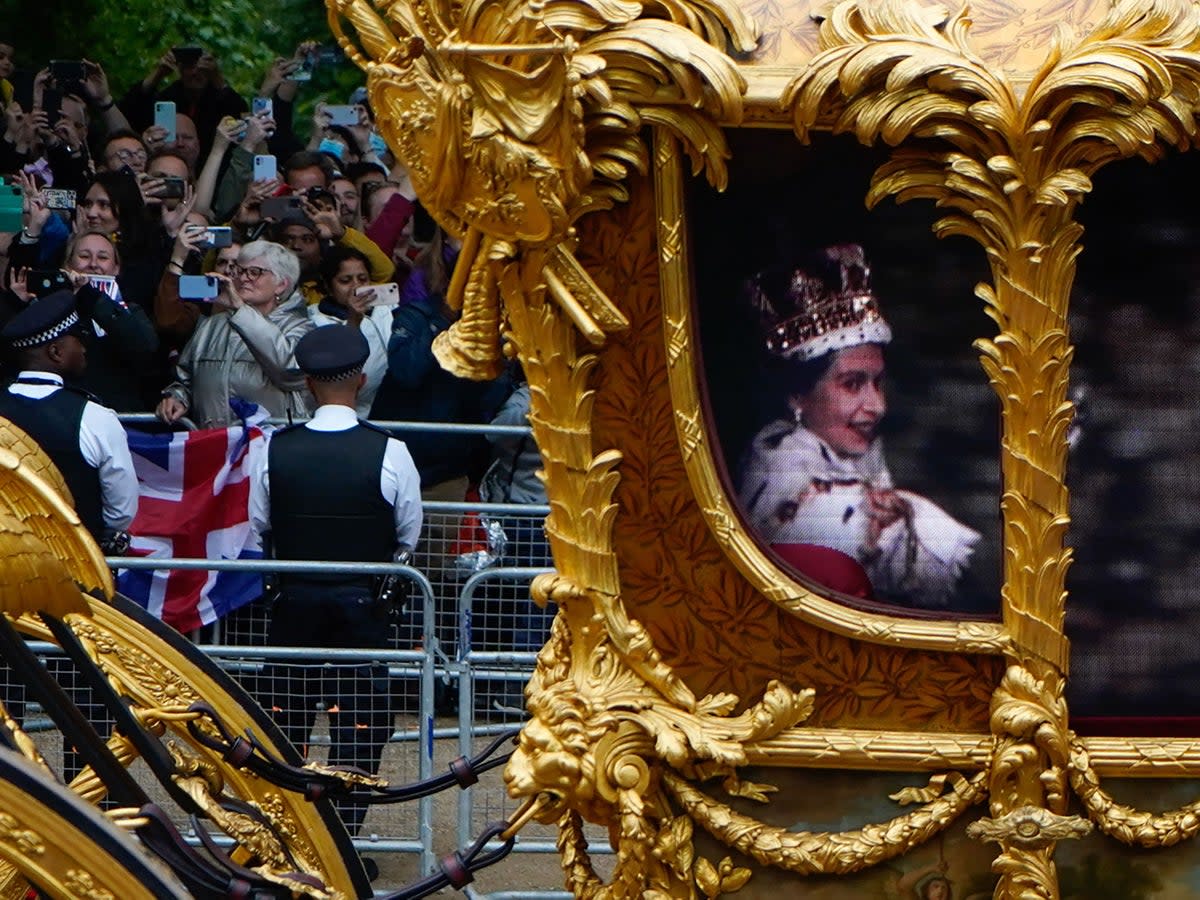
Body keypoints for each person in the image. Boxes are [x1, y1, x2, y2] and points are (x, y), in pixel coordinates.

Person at [737, 244, 980, 610]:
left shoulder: (856, 472)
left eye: (877, 383)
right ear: (797, 396)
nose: (877, 406)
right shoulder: (779, 479)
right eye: (852, 384)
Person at [249, 324, 421, 834]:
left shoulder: (274, 449)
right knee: (361, 724)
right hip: (363, 606)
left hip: (294, 602)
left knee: (286, 718)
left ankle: (293, 832)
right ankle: (342, 836)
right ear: (362, 380)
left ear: (306, 384)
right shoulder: (389, 450)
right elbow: (407, 534)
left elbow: (260, 523)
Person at [0, 290, 137, 546]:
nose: (84, 348)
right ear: (56, 352)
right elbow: (121, 513)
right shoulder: (95, 417)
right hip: (78, 571)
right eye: (77, 339)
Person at [156, 240, 312, 428]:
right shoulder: (212, 326)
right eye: (240, 271)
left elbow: (290, 374)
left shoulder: (300, 327)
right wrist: (178, 398)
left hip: (271, 447)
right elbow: (185, 378)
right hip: (216, 445)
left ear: (281, 285)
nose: (243, 278)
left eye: (255, 272)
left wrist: (241, 310)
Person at [308, 246, 391, 416]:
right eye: (345, 281)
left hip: (387, 412)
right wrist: (353, 320)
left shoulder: (389, 311)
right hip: (339, 414)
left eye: (363, 279)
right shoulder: (312, 319)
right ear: (328, 286)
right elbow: (338, 371)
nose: (356, 287)